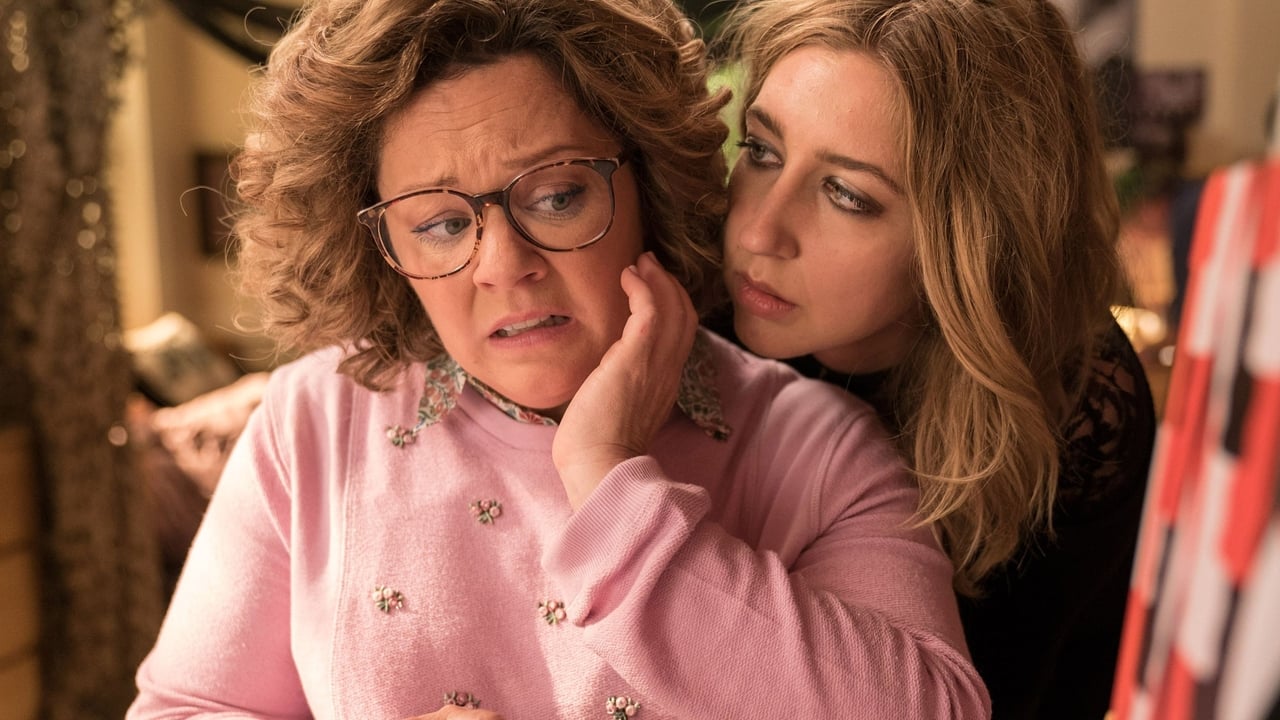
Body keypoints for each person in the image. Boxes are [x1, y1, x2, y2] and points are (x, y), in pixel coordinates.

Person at [127, 0, 991, 718]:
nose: (503, 265)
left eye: (556, 196)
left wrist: (609, 476)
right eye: (441, 223)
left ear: (649, 182)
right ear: (381, 249)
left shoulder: (818, 448)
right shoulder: (314, 419)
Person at [714, 1, 1157, 718]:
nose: (759, 233)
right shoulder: (678, 306)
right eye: (762, 151)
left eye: (847, 194)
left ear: (972, 233)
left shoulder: (1075, 402)